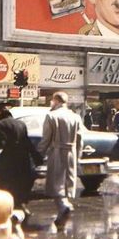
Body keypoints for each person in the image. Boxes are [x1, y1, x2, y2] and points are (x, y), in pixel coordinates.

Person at [37, 91, 83, 230]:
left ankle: (64, 206)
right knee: (67, 182)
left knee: (56, 183)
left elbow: (46, 139)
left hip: (57, 152)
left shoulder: (51, 116)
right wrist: (78, 155)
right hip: (71, 152)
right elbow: (80, 138)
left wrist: (39, 154)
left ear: (56, 101)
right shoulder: (75, 117)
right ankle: (62, 212)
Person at [0, 107, 40, 215]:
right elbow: (27, 141)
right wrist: (37, 158)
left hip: (8, 158)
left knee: (6, 183)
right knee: (20, 183)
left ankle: (6, 208)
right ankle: (21, 205)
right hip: (22, 157)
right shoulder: (21, 124)